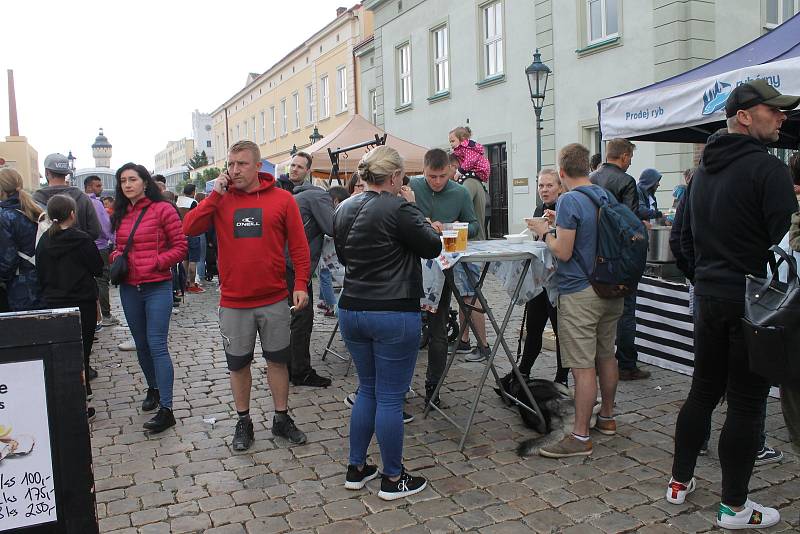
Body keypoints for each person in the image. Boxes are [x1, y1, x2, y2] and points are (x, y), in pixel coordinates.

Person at [669, 79, 799, 530]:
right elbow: (784, 242)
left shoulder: (703, 170)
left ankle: (678, 483)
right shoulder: (768, 170)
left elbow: (679, 241)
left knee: (703, 390)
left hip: (710, 297)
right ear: (745, 116)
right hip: (753, 302)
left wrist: (706, 278)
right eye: (774, 110)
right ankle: (735, 508)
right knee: (746, 403)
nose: (782, 117)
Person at [183, 141, 311, 451]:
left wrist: (302, 283)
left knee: (278, 362)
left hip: (273, 299)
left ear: (258, 167)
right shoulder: (220, 200)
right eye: (231, 164)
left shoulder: (282, 199)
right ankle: (244, 420)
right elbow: (190, 227)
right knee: (238, 365)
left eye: (241, 164)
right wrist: (216, 195)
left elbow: (299, 245)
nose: (234, 170)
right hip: (235, 302)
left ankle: (281, 418)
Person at [333, 146, 441, 500]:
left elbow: (345, 254)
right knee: (391, 398)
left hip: (352, 308)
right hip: (393, 310)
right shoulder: (399, 207)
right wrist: (416, 210)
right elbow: (431, 246)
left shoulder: (344, 207)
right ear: (395, 177)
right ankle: (393, 478)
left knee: (368, 389)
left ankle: (357, 467)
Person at [530, 143, 624, 459]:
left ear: (562, 171)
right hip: (609, 288)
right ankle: (607, 418)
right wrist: (560, 221)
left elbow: (563, 251)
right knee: (606, 355)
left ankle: (580, 435)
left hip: (580, 293)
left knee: (583, 368)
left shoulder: (570, 199)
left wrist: (545, 231)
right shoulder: (602, 194)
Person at [111, 163, 187, 434]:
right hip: (130, 288)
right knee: (141, 345)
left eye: (133, 179)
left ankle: (167, 409)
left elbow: (180, 247)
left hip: (157, 286)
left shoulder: (163, 210)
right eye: (123, 181)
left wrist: (156, 262)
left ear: (145, 182)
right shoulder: (120, 213)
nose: (127, 184)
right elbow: (118, 247)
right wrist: (117, 259)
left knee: (156, 344)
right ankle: (153, 388)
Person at [409, 149, 480, 404]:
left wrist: (449, 227)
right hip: (411, 267)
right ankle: (400, 385)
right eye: (431, 176)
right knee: (407, 327)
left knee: (438, 329)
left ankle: (433, 387)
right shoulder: (412, 186)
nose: (437, 181)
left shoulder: (460, 192)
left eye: (441, 176)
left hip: (443, 266)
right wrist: (423, 220)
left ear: (450, 171)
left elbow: (474, 225)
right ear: (423, 170)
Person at [36, 194, 102, 422]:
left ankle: (70, 400)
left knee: (62, 354)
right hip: (81, 301)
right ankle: (80, 404)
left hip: (54, 302)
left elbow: (40, 273)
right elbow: (97, 267)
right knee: (81, 352)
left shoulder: (45, 240)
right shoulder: (81, 239)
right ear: (72, 214)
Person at [590, 139, 650, 381]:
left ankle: (598, 360)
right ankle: (626, 364)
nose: (631, 162)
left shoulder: (592, 178)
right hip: (619, 254)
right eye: (630, 158)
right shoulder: (626, 181)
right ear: (624, 156)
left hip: (595, 252)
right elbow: (630, 222)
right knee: (625, 311)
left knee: (597, 311)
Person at [284, 161, 347, 388]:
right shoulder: (318, 196)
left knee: (291, 319)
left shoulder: (297, 195)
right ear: (336, 202)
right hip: (294, 265)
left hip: (284, 263)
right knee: (302, 318)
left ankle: (289, 367)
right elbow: (333, 227)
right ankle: (300, 371)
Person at [521, 169, 569, 385]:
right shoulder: (539, 209)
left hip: (560, 280)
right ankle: (523, 373)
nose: (544, 190)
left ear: (560, 187)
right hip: (540, 278)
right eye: (541, 186)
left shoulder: (566, 207)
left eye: (549, 185)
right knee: (534, 327)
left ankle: (562, 379)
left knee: (562, 333)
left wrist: (553, 225)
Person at [446, 153, 489, 359]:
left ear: (454, 166)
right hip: (466, 245)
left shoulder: (464, 187)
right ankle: (464, 341)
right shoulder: (475, 183)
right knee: (465, 294)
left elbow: (464, 219)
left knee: (471, 295)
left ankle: (483, 345)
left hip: (466, 245)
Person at [0, 168, 45, 311]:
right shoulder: (34, 209)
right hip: (43, 280)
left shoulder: (6, 216)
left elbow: (8, 259)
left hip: (20, 286)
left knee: (22, 330)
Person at [34, 153, 100, 240]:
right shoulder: (82, 198)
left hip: (46, 251)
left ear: (47, 172)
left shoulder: (35, 200)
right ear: (66, 173)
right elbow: (95, 231)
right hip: (78, 250)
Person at [84, 175, 118, 328]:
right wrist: (116, 240)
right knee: (102, 280)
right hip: (100, 246)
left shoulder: (79, 201)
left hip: (84, 247)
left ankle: (94, 316)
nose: (101, 188)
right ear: (89, 187)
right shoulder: (96, 204)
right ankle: (106, 315)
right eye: (98, 186)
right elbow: (105, 226)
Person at [176, 184, 203, 294]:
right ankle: (192, 284)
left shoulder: (178, 201)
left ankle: (184, 282)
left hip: (181, 234)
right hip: (193, 234)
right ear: (193, 192)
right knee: (193, 260)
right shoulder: (193, 202)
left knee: (185, 260)